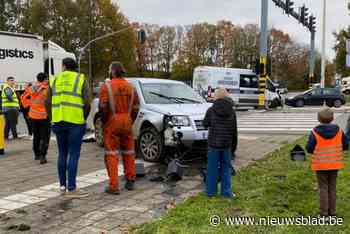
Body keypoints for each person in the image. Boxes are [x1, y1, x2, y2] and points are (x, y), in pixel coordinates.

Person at [46, 58, 91, 198]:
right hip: (75, 122)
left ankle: (62, 186)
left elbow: (47, 102)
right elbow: (87, 102)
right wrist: (82, 117)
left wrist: (52, 118)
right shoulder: (80, 78)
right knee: (74, 154)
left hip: (58, 121)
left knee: (62, 153)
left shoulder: (54, 79)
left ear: (64, 66)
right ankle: (72, 188)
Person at [99, 61, 140, 195]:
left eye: (109, 70)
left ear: (113, 71)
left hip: (112, 122)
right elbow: (136, 108)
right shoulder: (131, 87)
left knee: (111, 154)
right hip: (127, 121)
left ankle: (114, 186)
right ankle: (130, 180)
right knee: (129, 152)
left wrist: (105, 123)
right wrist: (130, 120)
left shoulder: (107, 86)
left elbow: (103, 108)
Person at [306, 108, 348, 217]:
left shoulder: (314, 132)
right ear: (333, 118)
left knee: (323, 188)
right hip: (334, 164)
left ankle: (324, 213)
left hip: (320, 165)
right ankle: (333, 212)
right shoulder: (339, 131)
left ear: (318, 119)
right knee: (332, 187)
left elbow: (309, 148)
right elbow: (346, 145)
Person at [203, 88, 238, 198]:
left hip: (213, 145)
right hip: (226, 145)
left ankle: (211, 193)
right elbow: (234, 131)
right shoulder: (232, 111)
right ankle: (226, 192)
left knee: (212, 169)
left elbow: (205, 124)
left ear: (216, 96)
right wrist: (233, 148)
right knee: (226, 168)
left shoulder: (211, 110)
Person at [29, 73, 50, 164]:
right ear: (45, 79)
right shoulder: (46, 89)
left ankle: (36, 154)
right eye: (47, 79)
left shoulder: (31, 88)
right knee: (44, 137)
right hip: (43, 116)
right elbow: (49, 102)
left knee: (36, 136)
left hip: (33, 115)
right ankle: (42, 156)